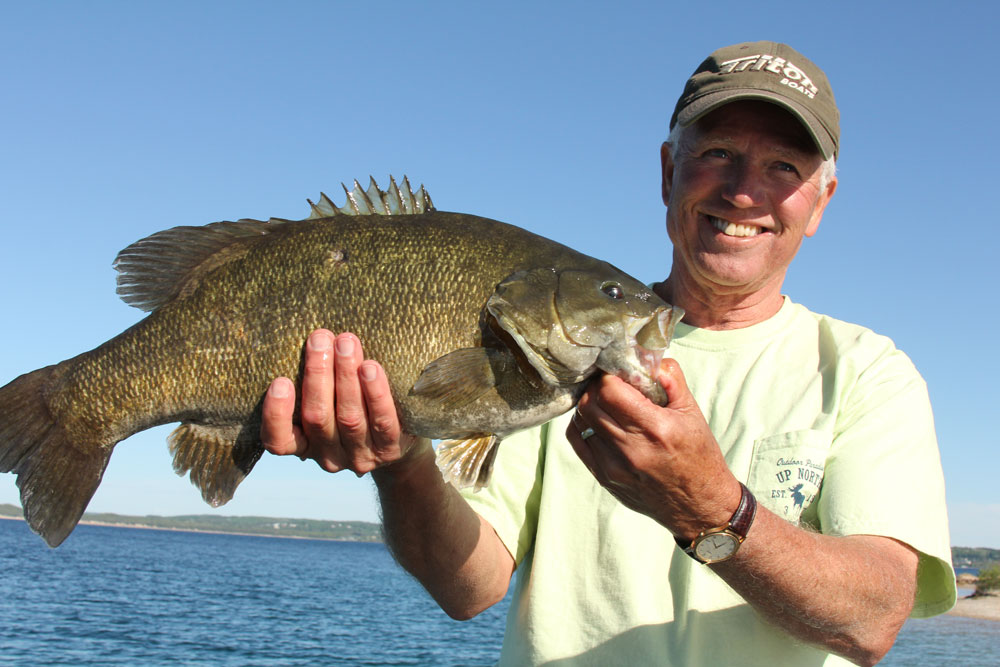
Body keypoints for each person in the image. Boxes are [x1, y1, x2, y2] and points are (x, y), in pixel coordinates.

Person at [260, 41, 956, 666]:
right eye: (717, 152)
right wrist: (402, 459)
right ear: (667, 171)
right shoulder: (552, 353)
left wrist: (712, 508)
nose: (745, 189)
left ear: (822, 201)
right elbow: (467, 586)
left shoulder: (867, 372)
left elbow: (874, 619)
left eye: (783, 165)